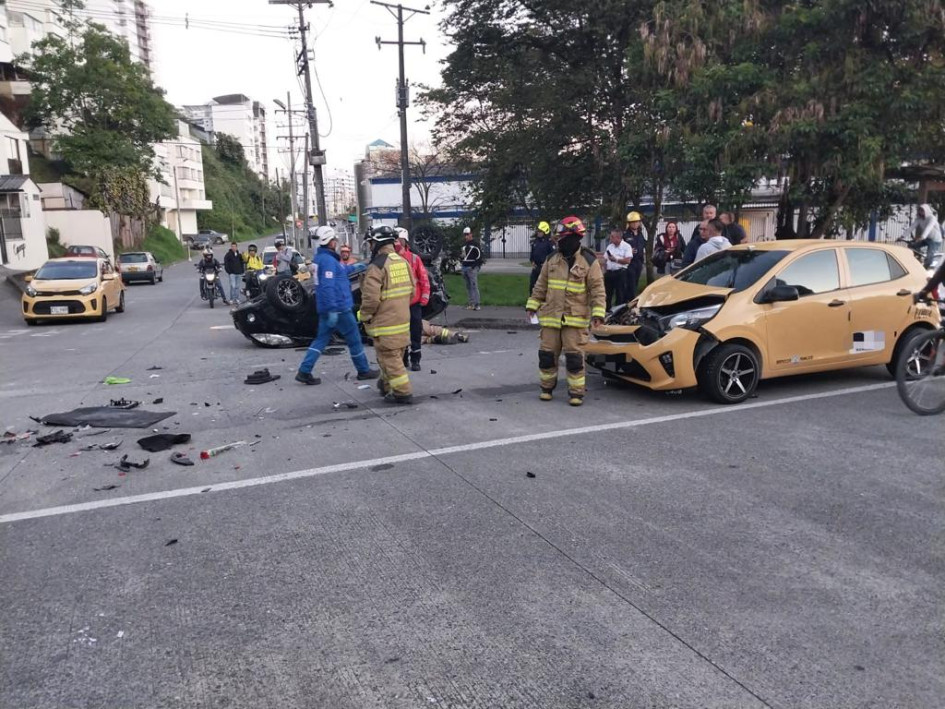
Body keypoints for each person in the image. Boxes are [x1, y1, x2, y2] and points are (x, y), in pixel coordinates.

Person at [526, 215, 606, 406]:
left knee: (574, 358)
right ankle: (546, 388)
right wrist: (532, 305)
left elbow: (597, 289)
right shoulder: (552, 259)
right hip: (551, 317)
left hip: (575, 319)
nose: (557, 240)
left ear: (572, 237)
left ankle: (576, 393)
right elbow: (541, 286)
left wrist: (598, 313)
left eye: (561, 237)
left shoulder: (588, 260)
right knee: (547, 355)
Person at [296, 227, 380, 386]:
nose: (336, 242)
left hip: (326, 307)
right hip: (339, 308)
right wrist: (333, 309)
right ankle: (363, 370)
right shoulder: (328, 261)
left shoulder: (322, 259)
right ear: (329, 241)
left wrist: (354, 267)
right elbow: (328, 286)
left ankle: (304, 371)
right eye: (334, 239)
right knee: (354, 338)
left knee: (320, 340)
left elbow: (339, 272)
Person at [360, 225, 415, 404]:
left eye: (370, 243)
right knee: (392, 356)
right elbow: (412, 291)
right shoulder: (402, 262)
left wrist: (364, 316)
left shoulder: (377, 267)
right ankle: (385, 384)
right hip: (402, 321)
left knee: (389, 357)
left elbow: (371, 299)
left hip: (386, 323)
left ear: (377, 243)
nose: (369, 247)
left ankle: (402, 392)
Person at [393, 227, 431, 372]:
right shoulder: (390, 259)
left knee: (415, 332)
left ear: (405, 241)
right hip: (398, 304)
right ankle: (403, 359)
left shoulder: (414, 258)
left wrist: (424, 297)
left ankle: (415, 360)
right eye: (395, 240)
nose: (397, 243)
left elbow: (423, 278)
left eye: (399, 240)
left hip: (413, 303)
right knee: (401, 334)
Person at [603, 228, 632, 310]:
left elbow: (628, 261)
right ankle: (607, 310)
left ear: (618, 237)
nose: (610, 238)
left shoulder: (626, 246)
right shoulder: (610, 246)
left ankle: (618, 311)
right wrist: (605, 270)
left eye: (612, 237)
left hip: (620, 273)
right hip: (609, 273)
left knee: (620, 293)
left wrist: (616, 259)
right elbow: (605, 259)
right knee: (607, 293)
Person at [623, 211, 647, 299]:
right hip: (630, 263)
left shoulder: (640, 234)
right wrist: (628, 251)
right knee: (631, 284)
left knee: (635, 283)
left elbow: (643, 245)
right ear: (629, 223)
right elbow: (620, 249)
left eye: (637, 222)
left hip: (639, 262)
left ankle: (629, 301)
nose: (635, 224)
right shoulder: (625, 235)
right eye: (633, 222)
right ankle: (630, 301)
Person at [910, 203, 943, 268]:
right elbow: (911, 227)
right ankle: (918, 258)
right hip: (927, 238)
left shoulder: (932, 218)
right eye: (919, 210)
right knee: (912, 245)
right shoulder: (919, 219)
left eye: (922, 210)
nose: (920, 212)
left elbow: (928, 228)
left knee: (929, 255)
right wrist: (902, 236)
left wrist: (922, 237)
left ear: (926, 210)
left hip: (935, 241)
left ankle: (926, 268)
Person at [529, 221, 555, 293]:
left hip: (545, 268)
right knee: (533, 285)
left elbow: (553, 256)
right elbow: (532, 253)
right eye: (538, 231)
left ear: (545, 232)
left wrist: (547, 264)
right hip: (536, 267)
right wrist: (532, 261)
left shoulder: (550, 243)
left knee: (544, 287)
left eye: (540, 231)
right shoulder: (535, 242)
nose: (538, 233)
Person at [460, 226, 482, 310]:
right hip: (465, 267)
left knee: (474, 285)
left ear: (471, 234)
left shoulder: (475, 244)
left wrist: (474, 267)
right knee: (468, 286)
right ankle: (471, 303)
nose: (466, 236)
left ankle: (477, 304)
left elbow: (479, 257)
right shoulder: (464, 245)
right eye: (465, 235)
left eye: (467, 234)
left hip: (472, 267)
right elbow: (463, 255)